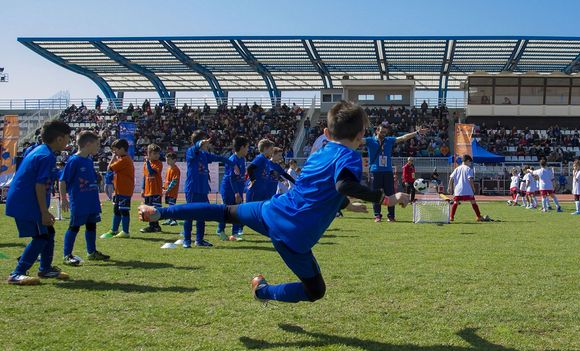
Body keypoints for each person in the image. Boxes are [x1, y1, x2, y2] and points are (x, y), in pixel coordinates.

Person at [137, 101, 410, 303]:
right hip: (293, 237)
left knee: (223, 212)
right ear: (361, 135)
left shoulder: (322, 152)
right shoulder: (349, 156)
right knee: (315, 291)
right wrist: (387, 198)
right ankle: (263, 291)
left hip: (271, 210)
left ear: (327, 133)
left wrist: (346, 205)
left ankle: (159, 213)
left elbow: (323, 188)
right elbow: (343, 185)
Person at [6, 120, 72, 285]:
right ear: (59, 139)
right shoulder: (46, 156)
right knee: (41, 236)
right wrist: (43, 211)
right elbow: (39, 185)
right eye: (67, 138)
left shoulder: (41, 151)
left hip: (27, 201)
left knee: (48, 232)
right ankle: (17, 273)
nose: (68, 141)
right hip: (27, 203)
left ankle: (45, 269)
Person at [60, 131, 110, 265]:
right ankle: (67, 255)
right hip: (79, 201)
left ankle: (92, 252)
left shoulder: (88, 159)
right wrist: (63, 198)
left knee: (91, 225)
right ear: (88, 144)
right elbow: (63, 180)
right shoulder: (74, 160)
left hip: (92, 200)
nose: (98, 147)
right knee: (74, 227)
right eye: (97, 144)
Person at [364, 124, 427, 222]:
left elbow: (403, 137)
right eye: (382, 132)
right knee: (376, 195)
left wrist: (417, 133)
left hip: (388, 172)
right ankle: (377, 215)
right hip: (375, 172)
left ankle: (391, 216)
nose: (384, 134)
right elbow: (358, 140)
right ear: (377, 131)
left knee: (391, 194)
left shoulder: (389, 140)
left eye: (385, 132)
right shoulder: (370, 141)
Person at [182, 131, 231, 248]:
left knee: (202, 215)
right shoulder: (191, 152)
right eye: (206, 141)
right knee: (189, 215)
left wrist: (231, 162)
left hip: (203, 190)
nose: (208, 144)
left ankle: (199, 240)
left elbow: (217, 157)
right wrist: (200, 143)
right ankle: (186, 240)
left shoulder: (205, 155)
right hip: (192, 189)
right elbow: (195, 148)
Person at [100, 139, 134, 239]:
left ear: (122, 149)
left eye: (115, 150)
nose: (114, 153)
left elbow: (109, 168)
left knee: (124, 210)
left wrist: (113, 157)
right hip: (119, 190)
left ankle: (125, 231)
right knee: (116, 210)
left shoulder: (125, 159)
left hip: (125, 190)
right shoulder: (121, 159)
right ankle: (114, 230)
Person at [218, 136, 248, 241]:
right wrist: (236, 193)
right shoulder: (232, 160)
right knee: (226, 211)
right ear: (242, 147)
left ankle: (234, 234)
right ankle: (220, 230)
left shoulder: (242, 159)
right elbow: (231, 178)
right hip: (229, 189)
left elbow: (241, 176)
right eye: (247, 147)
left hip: (237, 189)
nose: (248, 150)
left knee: (237, 211)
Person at [449, 155, 483, 222]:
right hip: (467, 190)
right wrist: (473, 188)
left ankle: (451, 217)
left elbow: (451, 178)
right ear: (467, 161)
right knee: (473, 202)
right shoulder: (468, 169)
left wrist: (449, 187)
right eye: (470, 162)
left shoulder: (457, 169)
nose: (470, 164)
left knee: (455, 203)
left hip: (458, 190)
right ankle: (478, 217)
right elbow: (470, 179)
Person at [140, 144, 163, 233]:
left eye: (158, 154)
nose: (157, 155)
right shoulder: (146, 164)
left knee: (154, 209)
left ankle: (156, 226)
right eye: (154, 154)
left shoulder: (159, 163)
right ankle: (151, 226)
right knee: (148, 210)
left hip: (156, 190)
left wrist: (148, 162)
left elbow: (152, 172)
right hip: (148, 191)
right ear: (149, 154)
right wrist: (143, 188)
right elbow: (145, 177)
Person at [162, 152, 180, 227]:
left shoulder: (176, 169)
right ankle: (170, 219)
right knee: (169, 206)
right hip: (167, 191)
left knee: (172, 205)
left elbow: (174, 181)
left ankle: (174, 220)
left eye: (169, 160)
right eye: (166, 160)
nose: (167, 161)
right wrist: (163, 187)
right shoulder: (168, 168)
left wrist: (168, 189)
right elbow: (166, 179)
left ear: (174, 160)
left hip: (172, 191)